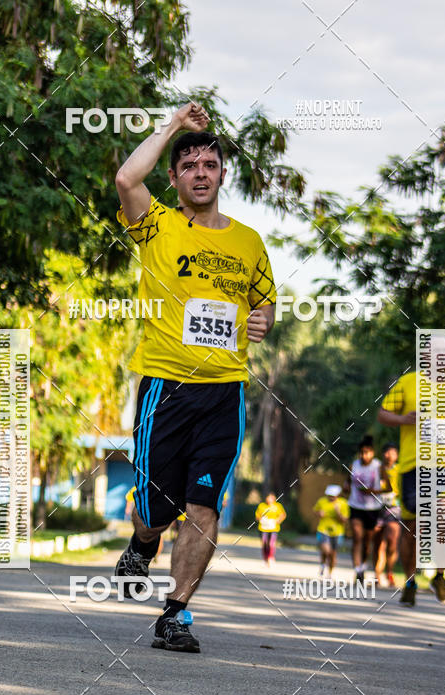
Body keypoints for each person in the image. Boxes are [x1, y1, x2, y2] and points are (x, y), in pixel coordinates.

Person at [113, 102, 276, 652]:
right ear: (176, 177)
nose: (201, 173)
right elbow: (124, 177)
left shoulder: (249, 242)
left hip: (224, 392)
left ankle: (176, 613)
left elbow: (265, 304)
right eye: (190, 166)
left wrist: (264, 319)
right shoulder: (156, 223)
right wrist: (173, 126)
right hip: (166, 385)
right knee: (157, 508)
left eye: (210, 165)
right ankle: (142, 541)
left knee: (204, 504)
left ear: (222, 174)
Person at [377, 362, 445, 607]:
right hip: (413, 465)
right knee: (413, 528)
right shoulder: (407, 383)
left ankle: (439, 576)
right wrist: (402, 419)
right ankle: (410, 581)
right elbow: (382, 414)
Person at [344, 435, 382, 586]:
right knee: (357, 537)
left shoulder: (378, 466)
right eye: (362, 452)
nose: (364, 455)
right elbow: (347, 482)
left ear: (372, 452)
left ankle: (363, 565)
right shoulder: (354, 465)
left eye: (367, 452)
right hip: (355, 506)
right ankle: (358, 570)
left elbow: (388, 488)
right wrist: (346, 487)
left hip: (372, 508)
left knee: (367, 542)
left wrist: (372, 491)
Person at [372, 443, 401, 587]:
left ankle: (389, 572)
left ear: (397, 455)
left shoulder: (401, 470)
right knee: (378, 543)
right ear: (383, 454)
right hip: (376, 508)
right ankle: (377, 575)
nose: (389, 455)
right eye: (387, 452)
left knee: (392, 542)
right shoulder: (376, 469)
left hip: (394, 509)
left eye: (393, 453)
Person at [312, 484, 350, 577]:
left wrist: (338, 513)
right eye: (329, 495)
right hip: (323, 529)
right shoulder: (322, 501)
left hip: (337, 532)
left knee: (333, 554)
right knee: (326, 551)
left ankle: (330, 572)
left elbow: (344, 520)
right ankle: (323, 564)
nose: (331, 497)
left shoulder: (343, 503)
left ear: (338, 495)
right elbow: (315, 510)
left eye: (333, 496)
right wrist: (319, 513)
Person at [255, 493, 286, 565]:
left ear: (274, 499)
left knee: (271, 544)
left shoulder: (277, 506)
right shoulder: (262, 506)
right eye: (268, 498)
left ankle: (270, 557)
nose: (269, 499)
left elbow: (283, 515)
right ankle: (265, 558)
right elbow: (257, 516)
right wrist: (261, 519)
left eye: (271, 498)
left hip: (273, 528)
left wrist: (278, 520)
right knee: (264, 543)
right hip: (263, 528)